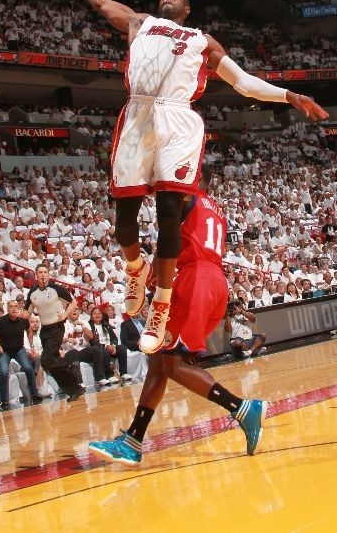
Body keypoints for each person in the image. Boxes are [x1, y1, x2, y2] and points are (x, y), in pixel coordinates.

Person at [74, 0, 329, 354]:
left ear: (187, 9)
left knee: (167, 214)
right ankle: (135, 270)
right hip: (137, 116)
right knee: (123, 226)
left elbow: (242, 82)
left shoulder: (202, 41)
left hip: (178, 119)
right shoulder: (140, 23)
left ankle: (160, 304)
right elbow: (99, 1)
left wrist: (288, 95)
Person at [89, 167, 266, 466]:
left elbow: (170, 240)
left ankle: (243, 408)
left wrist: (152, 274)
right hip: (212, 281)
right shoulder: (215, 209)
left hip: (195, 279)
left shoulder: (187, 196)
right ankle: (133, 440)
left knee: (172, 363)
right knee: (160, 358)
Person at [23, 264, 84, 401]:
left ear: (48, 275)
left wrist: (65, 315)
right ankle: (74, 389)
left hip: (57, 328)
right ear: (36, 275)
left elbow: (73, 302)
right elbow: (27, 313)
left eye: (45, 272)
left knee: (45, 361)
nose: (43, 275)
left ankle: (70, 362)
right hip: (44, 330)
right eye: (40, 272)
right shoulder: (32, 293)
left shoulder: (56, 288)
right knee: (52, 364)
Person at [0, 301, 43, 409]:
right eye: (11, 307)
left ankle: (34, 394)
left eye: (16, 307)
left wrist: (32, 346)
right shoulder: (1, 321)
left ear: (19, 308)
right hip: (4, 350)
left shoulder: (23, 321)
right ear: (7, 308)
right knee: (4, 372)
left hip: (19, 349)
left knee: (28, 368)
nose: (13, 309)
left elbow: (29, 331)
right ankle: (4, 400)